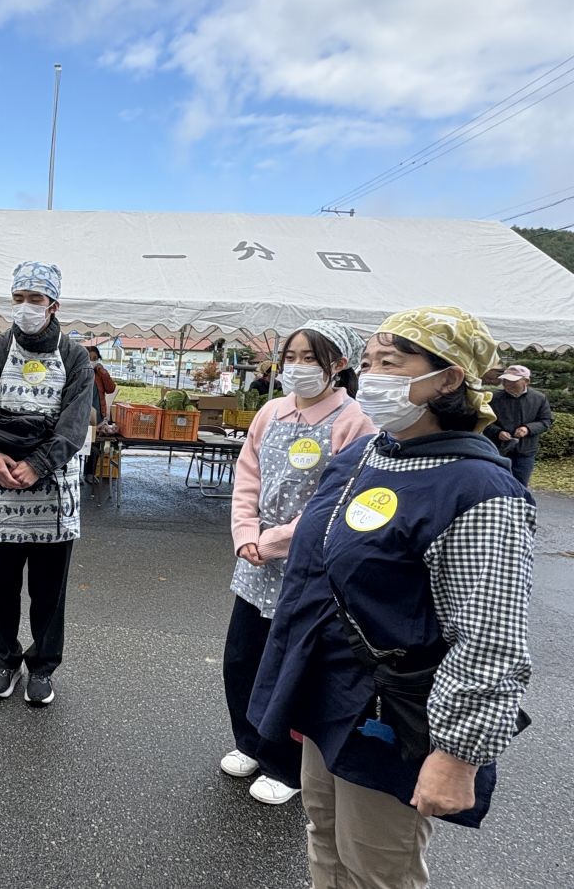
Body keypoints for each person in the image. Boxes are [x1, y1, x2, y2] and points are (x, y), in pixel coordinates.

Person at [250, 306, 534, 888]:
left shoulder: (480, 491)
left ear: (449, 378)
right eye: (369, 362)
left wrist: (457, 753)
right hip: (326, 689)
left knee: (377, 867)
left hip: (391, 711)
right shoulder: (365, 455)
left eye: (391, 362)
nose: (372, 376)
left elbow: (491, 639)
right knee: (324, 836)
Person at [223, 321, 373, 805]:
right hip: (255, 564)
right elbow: (247, 476)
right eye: (291, 357)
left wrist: (273, 541)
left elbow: (338, 502)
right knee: (242, 659)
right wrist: (246, 533)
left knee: (292, 669)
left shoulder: (354, 421)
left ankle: (286, 766)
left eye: (311, 358)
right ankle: (249, 741)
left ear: (339, 365)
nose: (298, 367)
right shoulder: (271, 411)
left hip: (309, 567)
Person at [0, 261, 93, 706]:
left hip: (53, 495)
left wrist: (38, 463)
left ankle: (42, 667)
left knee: (48, 592)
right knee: (2, 588)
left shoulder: (74, 356)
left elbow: (74, 424)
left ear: (54, 304)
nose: (25, 307)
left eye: (35, 299)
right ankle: (4, 661)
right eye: (18, 298)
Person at [483, 364, 552, 486]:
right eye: (505, 380)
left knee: (520, 485)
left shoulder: (539, 398)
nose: (507, 384)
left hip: (525, 452)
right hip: (497, 450)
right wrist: (498, 432)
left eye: (512, 381)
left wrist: (527, 429)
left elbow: (546, 420)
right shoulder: (493, 397)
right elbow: (484, 421)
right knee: (496, 484)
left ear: (526, 381)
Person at [84, 346, 117, 479]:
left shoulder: (99, 374)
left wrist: (102, 371)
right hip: (81, 414)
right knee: (80, 445)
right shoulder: (78, 371)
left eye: (95, 358)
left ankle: (90, 473)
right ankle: (77, 473)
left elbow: (111, 389)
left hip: (97, 415)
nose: (92, 361)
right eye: (89, 358)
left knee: (95, 445)